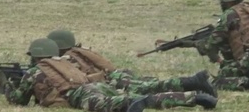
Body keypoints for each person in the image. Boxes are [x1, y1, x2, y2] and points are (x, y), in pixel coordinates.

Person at [0, 38, 217, 111]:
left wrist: (3, 83)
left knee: (129, 102)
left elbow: (18, 100)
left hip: (82, 93)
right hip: (95, 85)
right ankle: (193, 94)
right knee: (135, 93)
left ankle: (193, 97)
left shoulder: (35, 71)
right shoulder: (64, 61)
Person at [47, 30, 217, 97]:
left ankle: (193, 84)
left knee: (149, 88)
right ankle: (194, 83)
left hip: (111, 80)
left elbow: (78, 80)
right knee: (152, 83)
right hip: (118, 75)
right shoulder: (80, 51)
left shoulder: (67, 58)